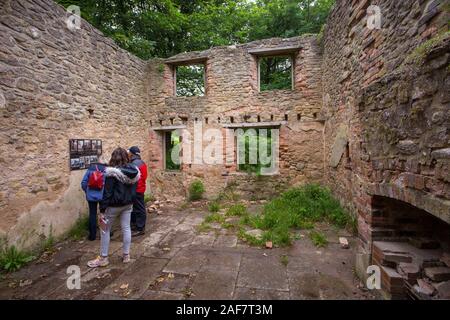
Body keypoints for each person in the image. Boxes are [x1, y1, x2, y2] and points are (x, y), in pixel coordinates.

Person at [87, 148, 140, 268]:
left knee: (105, 230)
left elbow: (108, 192)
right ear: (126, 157)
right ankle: (126, 255)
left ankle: (103, 258)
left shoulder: (111, 173)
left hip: (113, 206)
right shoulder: (134, 171)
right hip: (128, 204)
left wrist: (102, 209)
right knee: (126, 228)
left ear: (113, 157)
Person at [81, 158, 107, 241]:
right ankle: (105, 232)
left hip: (91, 196)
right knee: (104, 214)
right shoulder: (106, 170)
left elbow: (83, 183)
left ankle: (92, 235)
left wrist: (87, 191)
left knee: (92, 214)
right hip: (103, 195)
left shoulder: (90, 169)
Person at [128, 146, 148, 237]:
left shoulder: (134, 164)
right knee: (138, 208)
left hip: (136, 189)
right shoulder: (141, 162)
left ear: (132, 154)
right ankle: (137, 226)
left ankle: (140, 228)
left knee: (139, 208)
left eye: (129, 153)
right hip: (140, 188)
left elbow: (132, 178)